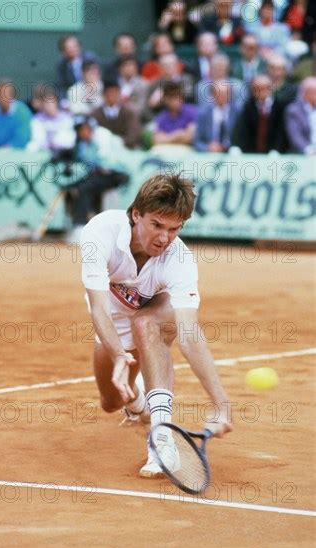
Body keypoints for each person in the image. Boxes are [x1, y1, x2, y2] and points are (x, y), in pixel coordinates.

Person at [80, 174, 232, 478]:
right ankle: (137, 405)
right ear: (137, 214)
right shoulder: (101, 232)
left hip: (153, 308)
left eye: (175, 229)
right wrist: (120, 356)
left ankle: (161, 437)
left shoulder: (180, 259)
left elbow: (188, 334)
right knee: (110, 401)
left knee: (147, 322)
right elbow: (99, 308)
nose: (165, 238)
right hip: (111, 318)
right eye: (157, 225)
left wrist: (221, 404)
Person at [232, 74, 287, 153]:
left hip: (276, 153)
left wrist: (276, 150)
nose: (260, 92)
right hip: (252, 153)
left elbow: (282, 132)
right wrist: (237, 146)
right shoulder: (248, 106)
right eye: (256, 89)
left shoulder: (280, 106)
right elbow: (241, 129)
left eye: (263, 89)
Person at [92, 80, 142, 149]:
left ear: (119, 93)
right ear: (103, 95)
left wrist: (119, 142)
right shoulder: (95, 114)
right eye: (109, 93)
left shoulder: (129, 112)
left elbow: (134, 135)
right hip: (102, 149)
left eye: (114, 93)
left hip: (127, 149)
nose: (112, 96)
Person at [195, 80, 240, 152]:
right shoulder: (203, 113)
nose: (222, 97)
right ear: (212, 95)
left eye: (225, 94)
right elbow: (197, 141)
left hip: (232, 153)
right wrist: (207, 148)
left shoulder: (238, 112)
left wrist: (226, 147)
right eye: (218, 94)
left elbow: (242, 138)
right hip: (209, 154)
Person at [28, 87, 75, 153]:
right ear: (43, 104)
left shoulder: (67, 118)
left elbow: (69, 139)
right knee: (31, 147)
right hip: (44, 150)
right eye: (46, 103)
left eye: (51, 102)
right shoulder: (37, 119)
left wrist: (55, 143)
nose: (49, 105)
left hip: (63, 152)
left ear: (56, 102)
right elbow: (38, 139)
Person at [56, 35, 97, 102]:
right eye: (68, 48)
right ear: (63, 52)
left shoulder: (90, 58)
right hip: (74, 99)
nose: (73, 49)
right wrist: (64, 102)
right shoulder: (61, 65)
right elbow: (62, 87)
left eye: (75, 46)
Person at [285, 76, 316, 154]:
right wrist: (308, 150)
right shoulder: (294, 110)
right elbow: (295, 135)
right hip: (303, 154)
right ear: (306, 93)